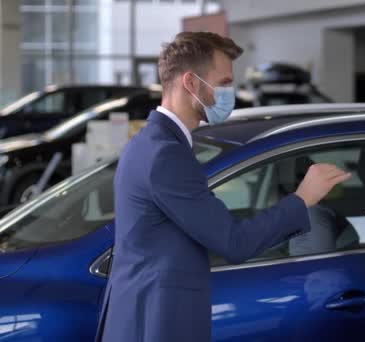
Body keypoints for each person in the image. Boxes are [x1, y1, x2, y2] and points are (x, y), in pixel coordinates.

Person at [94, 32, 351, 342]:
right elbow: (234, 242)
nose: (231, 91)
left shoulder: (149, 143)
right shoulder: (166, 154)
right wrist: (302, 198)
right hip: (156, 323)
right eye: (225, 82)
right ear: (191, 83)